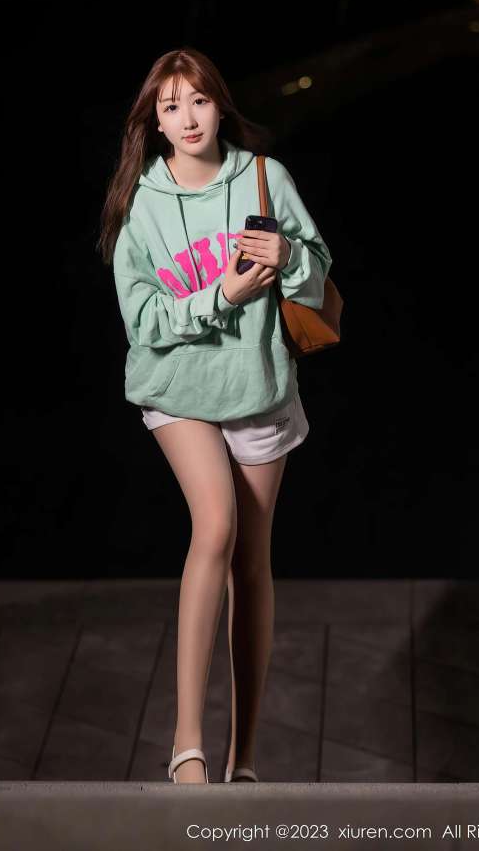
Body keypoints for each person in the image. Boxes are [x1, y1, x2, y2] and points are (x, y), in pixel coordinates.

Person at [98, 47, 333, 784]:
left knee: (252, 564)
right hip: (177, 389)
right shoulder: (142, 203)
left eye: (197, 100)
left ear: (218, 105)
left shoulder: (265, 177)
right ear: (154, 122)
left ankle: (246, 757)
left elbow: (319, 276)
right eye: (170, 106)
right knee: (217, 524)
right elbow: (143, 322)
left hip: (258, 384)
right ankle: (187, 747)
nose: (188, 117)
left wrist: (288, 255)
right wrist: (222, 296)